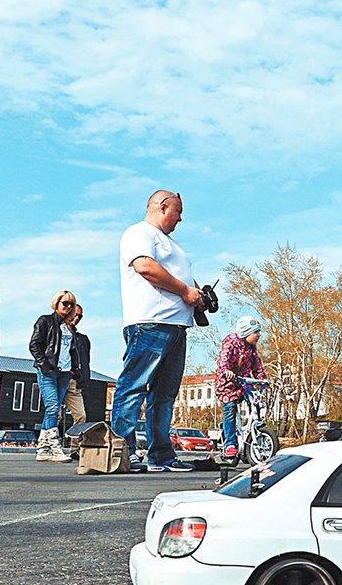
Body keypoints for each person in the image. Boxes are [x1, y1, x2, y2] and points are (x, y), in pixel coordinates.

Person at [109, 190, 206, 473]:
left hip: (177, 326)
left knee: (165, 394)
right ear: (163, 207)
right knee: (133, 386)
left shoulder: (173, 245)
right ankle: (121, 453)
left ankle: (161, 455)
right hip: (150, 322)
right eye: (178, 212)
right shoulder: (139, 233)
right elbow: (145, 267)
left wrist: (197, 294)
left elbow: (181, 278)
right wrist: (185, 290)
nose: (180, 219)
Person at [29, 291, 80, 463]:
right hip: (49, 372)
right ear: (56, 303)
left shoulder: (69, 327)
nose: (68, 307)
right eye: (65, 303)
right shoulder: (45, 321)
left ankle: (42, 450)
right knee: (52, 409)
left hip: (64, 374)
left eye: (71, 304)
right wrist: (45, 366)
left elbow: (72, 351)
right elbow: (34, 344)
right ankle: (55, 448)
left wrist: (74, 369)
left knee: (52, 410)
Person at [215, 316, 266, 459]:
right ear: (246, 333)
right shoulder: (230, 342)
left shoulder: (252, 348)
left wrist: (262, 379)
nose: (259, 335)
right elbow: (222, 360)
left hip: (243, 383)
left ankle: (256, 428)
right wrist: (226, 372)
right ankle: (230, 443)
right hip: (228, 385)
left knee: (256, 402)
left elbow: (257, 365)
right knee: (230, 408)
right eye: (256, 332)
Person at [62, 304, 91, 427]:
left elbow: (85, 361)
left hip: (73, 381)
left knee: (81, 415)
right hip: (57, 378)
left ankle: (75, 446)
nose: (77, 318)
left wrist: (83, 378)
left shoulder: (82, 339)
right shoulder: (56, 332)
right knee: (54, 415)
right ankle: (50, 444)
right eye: (75, 314)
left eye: (80, 316)